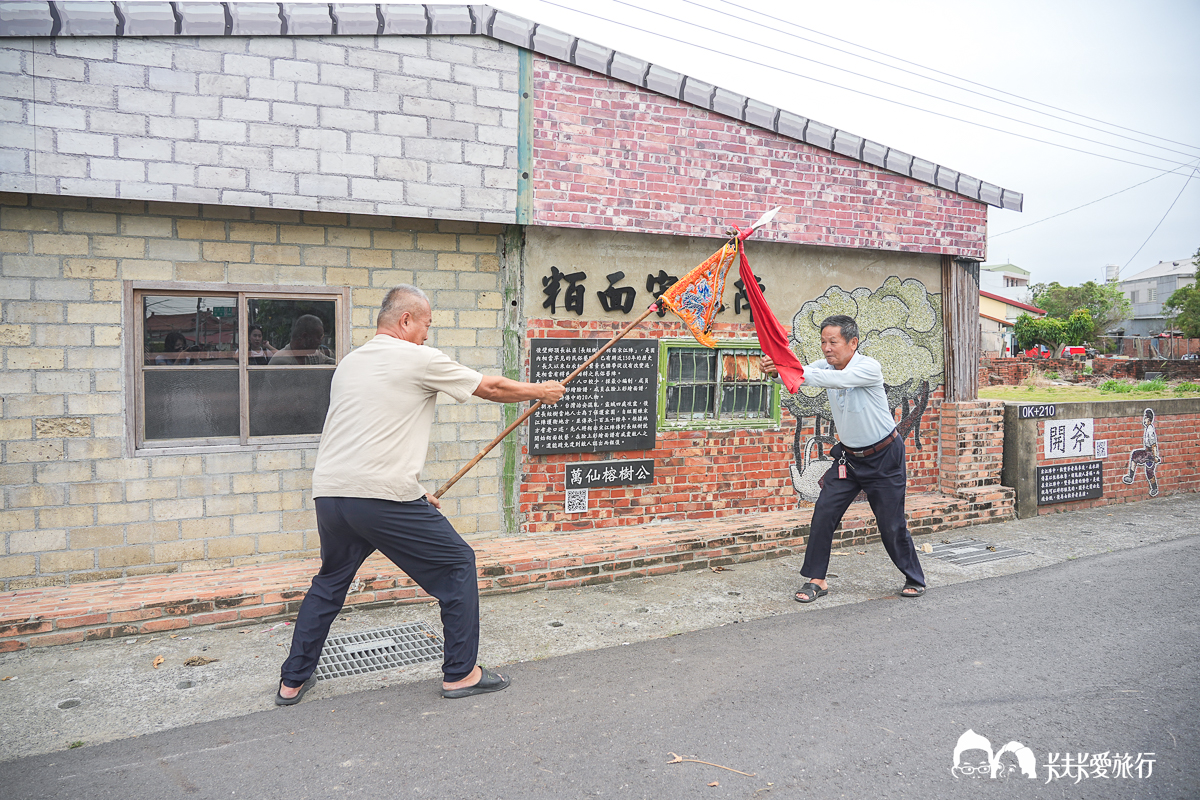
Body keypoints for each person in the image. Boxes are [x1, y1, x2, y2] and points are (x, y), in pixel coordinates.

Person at [276, 285, 566, 705]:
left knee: (330, 581)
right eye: (426, 324)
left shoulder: (350, 362)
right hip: (380, 498)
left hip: (332, 496)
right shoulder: (418, 358)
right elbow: (492, 388)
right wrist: (541, 392)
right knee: (458, 563)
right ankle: (461, 673)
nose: (428, 334)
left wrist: (413, 492)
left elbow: (369, 435)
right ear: (406, 320)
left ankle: (292, 680)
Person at [761, 314, 926, 602]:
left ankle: (914, 576)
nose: (826, 348)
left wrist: (790, 368)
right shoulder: (825, 367)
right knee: (824, 513)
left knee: (891, 524)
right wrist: (776, 371)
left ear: (853, 343)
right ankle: (817, 580)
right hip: (849, 460)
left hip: (885, 457)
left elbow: (834, 380)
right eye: (823, 342)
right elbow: (797, 379)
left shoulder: (868, 368)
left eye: (833, 342)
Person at [1122, 407, 1161, 497]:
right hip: (1147, 452)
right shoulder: (1148, 428)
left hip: (1150, 454)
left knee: (1149, 473)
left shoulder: (1150, 430)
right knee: (1135, 455)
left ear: (1149, 419)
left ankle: (1154, 488)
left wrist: (1155, 456)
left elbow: (1153, 445)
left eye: (1145, 418)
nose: (1144, 420)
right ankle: (1131, 477)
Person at [269, 314, 335, 365]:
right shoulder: (281, 362)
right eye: (318, 337)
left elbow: (335, 363)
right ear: (305, 336)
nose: (319, 342)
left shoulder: (313, 355)